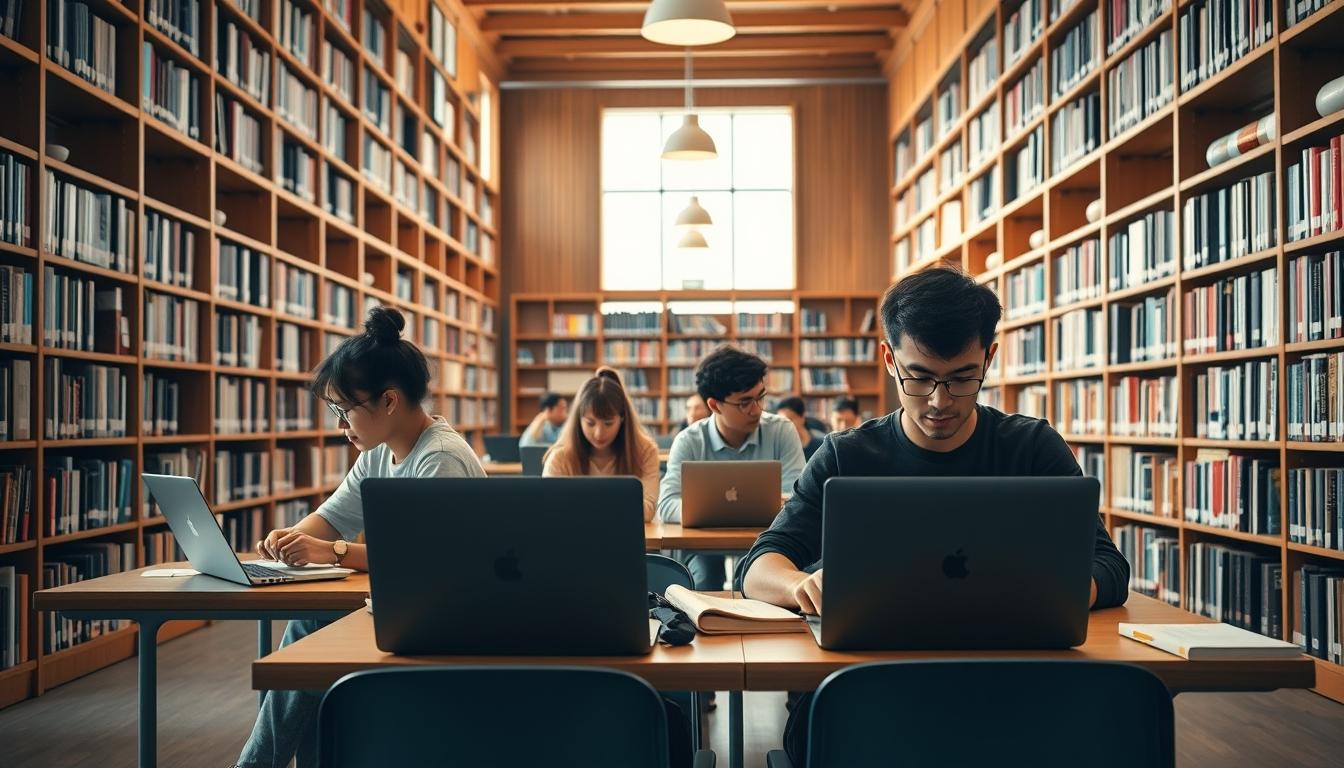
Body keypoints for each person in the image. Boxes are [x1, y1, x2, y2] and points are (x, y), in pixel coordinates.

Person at [736, 266, 1130, 766]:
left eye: (962, 378)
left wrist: (1053, 592)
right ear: (888, 358)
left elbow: (1109, 566)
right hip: (871, 696)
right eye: (919, 377)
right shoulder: (845, 456)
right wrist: (797, 587)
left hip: (1011, 689)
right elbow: (758, 565)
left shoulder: (1032, 448)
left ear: (989, 358)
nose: (939, 402)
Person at [233, 307, 485, 768]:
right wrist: (286, 541)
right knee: (308, 643)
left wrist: (328, 551)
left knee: (308, 642)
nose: (340, 424)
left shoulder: (441, 459)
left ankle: (256, 765)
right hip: (407, 607)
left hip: (455, 618)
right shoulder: (378, 455)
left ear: (389, 401)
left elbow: (424, 562)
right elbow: (328, 520)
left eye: (344, 409)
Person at [658, 346, 805, 590]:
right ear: (715, 405)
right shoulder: (689, 440)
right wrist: (711, 510)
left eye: (760, 396)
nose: (757, 409)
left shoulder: (782, 431)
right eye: (745, 402)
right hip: (703, 546)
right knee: (704, 576)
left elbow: (799, 497)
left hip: (769, 541)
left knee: (754, 577)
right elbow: (666, 504)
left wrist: (715, 509)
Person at [543, 367, 661, 521]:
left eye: (608, 423)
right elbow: (549, 509)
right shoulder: (560, 457)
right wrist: (620, 504)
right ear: (579, 419)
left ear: (622, 418)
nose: (599, 433)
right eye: (590, 423)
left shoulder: (645, 451)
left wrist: (581, 505)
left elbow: (647, 511)